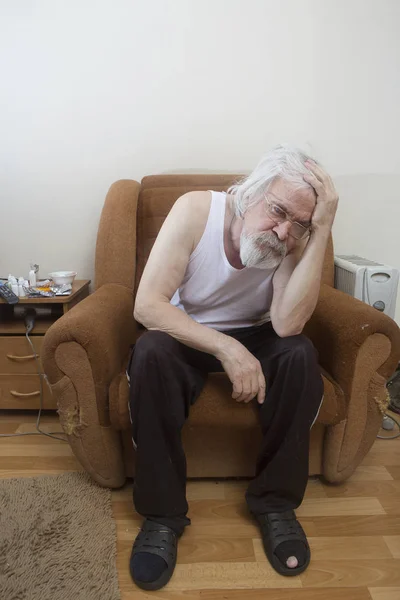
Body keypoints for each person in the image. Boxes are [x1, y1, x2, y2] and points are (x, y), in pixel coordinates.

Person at [127, 145, 339, 591]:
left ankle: (275, 505)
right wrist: (226, 348)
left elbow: (286, 323)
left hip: (257, 334)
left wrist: (318, 233)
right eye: (277, 211)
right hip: (189, 332)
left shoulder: (293, 240)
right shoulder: (195, 210)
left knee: (299, 353)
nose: (282, 231)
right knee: (149, 353)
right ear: (250, 193)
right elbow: (148, 305)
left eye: (298, 223)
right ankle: (163, 516)